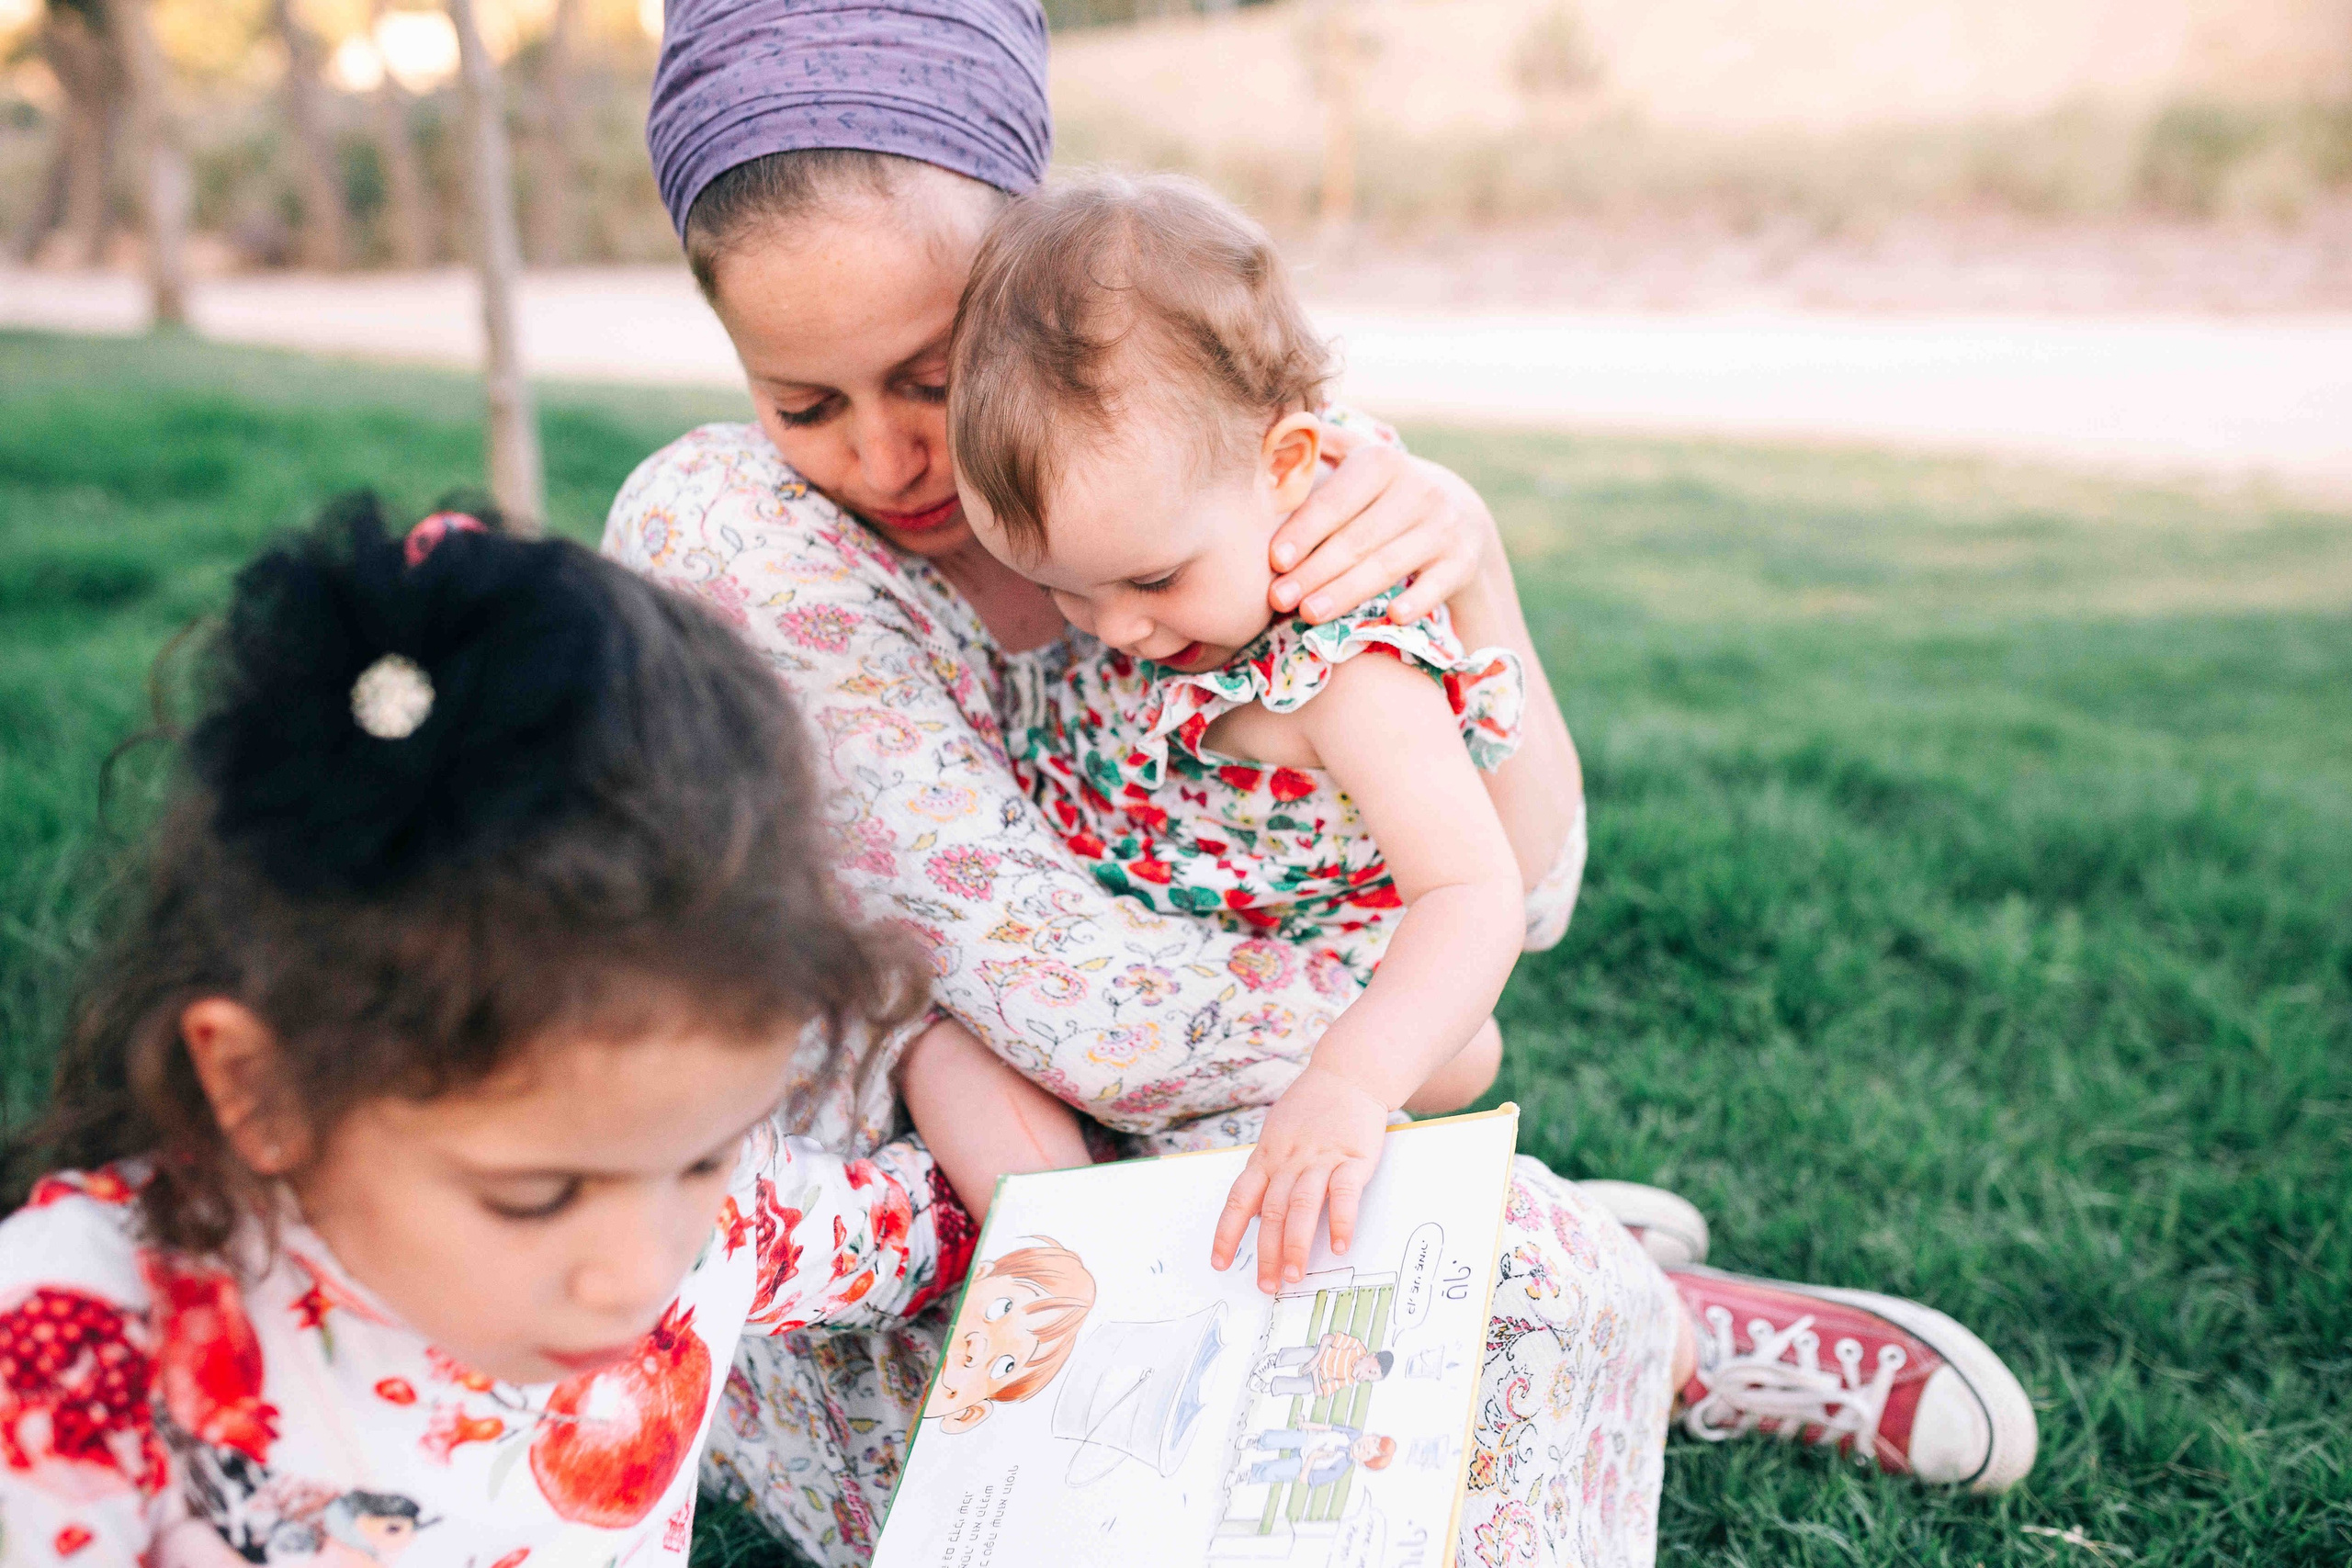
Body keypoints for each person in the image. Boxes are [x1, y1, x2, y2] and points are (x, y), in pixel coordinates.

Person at [622, 4, 2040, 1563]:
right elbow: (1059, 1000)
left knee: (1449, 1354)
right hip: (940, 1175)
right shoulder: (735, 530)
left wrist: (1472, 573)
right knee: (1198, 1383)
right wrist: (1411, 1048)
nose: (890, 455)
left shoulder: (1204, 473)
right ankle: (1547, 1254)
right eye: (801, 402)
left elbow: (1525, 886)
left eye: (933, 373)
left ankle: (1613, 1300)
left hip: (1246, 1110)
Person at [0, 501, 974, 1562]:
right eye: (537, 1196)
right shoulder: (78, 1336)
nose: (639, 1273)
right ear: (262, 1091)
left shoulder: (708, 1209)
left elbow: (909, 1232)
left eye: (705, 1153)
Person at [903, 171, 1536, 1288]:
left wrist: (1347, 1081)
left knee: (1294, 1197)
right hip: (1108, 976)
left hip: (1290, 1010)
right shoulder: (1137, 585)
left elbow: (1473, 890)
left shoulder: (1342, 665)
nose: (1120, 631)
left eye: (1152, 578)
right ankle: (1071, 1264)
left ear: (1285, 466)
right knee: (938, 1052)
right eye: (1069, 593)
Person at [1229, 1423, 1395, 1490]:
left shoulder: (1340, 1468)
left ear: (1363, 1462)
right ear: (1371, 1436)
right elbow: (1329, 1427)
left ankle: (1248, 1474)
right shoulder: (1353, 1434)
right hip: (1307, 1440)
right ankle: (1257, 1441)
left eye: (1368, 1454)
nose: (1366, 1447)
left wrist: (1312, 1458)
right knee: (1285, 1438)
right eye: (1373, 1442)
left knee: (1274, 1471)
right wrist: (1307, 1424)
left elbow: (1304, 1478)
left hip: (1303, 1464)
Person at [1252, 1333, 1392, 1400]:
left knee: (1306, 1387)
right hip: (1320, 1353)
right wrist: (1316, 1360)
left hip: (1317, 1375)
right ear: (1372, 1356)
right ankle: (1274, 1360)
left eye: (1368, 1379)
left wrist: (1315, 1373)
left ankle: (1267, 1386)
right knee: (1307, 1354)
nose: (1364, 1377)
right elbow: (1328, 1339)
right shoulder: (1357, 1348)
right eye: (1370, 1371)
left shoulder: (1350, 1379)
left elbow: (1320, 1392)